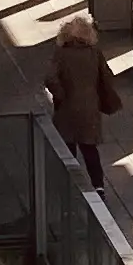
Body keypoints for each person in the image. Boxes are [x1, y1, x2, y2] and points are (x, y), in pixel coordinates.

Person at [49, 13, 121, 186]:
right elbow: (107, 77)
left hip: (66, 109)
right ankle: (98, 186)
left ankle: (68, 185)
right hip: (90, 108)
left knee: (68, 150)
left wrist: (60, 95)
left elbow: (50, 78)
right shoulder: (94, 53)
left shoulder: (61, 54)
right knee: (90, 150)